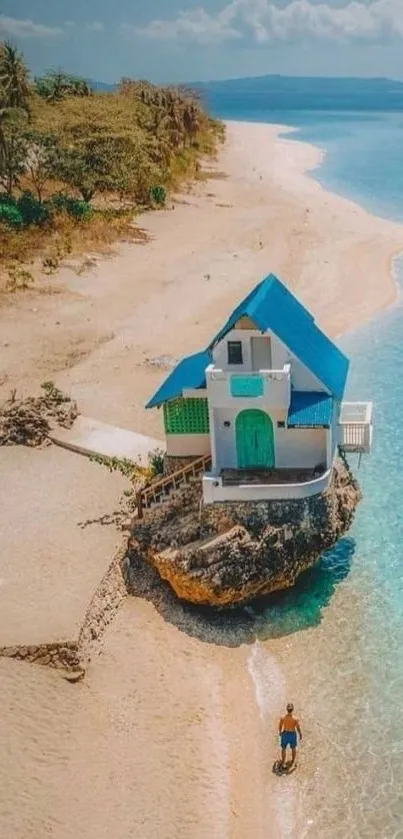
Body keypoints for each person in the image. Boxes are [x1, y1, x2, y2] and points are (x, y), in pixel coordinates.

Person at [278, 703, 302, 769]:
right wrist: (300, 734)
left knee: (283, 748)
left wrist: (280, 732)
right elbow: (298, 728)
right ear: (293, 709)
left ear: (286, 709)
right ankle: (293, 760)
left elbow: (280, 726)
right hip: (292, 734)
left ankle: (283, 761)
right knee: (293, 748)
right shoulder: (295, 719)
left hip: (285, 734)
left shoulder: (282, 718)